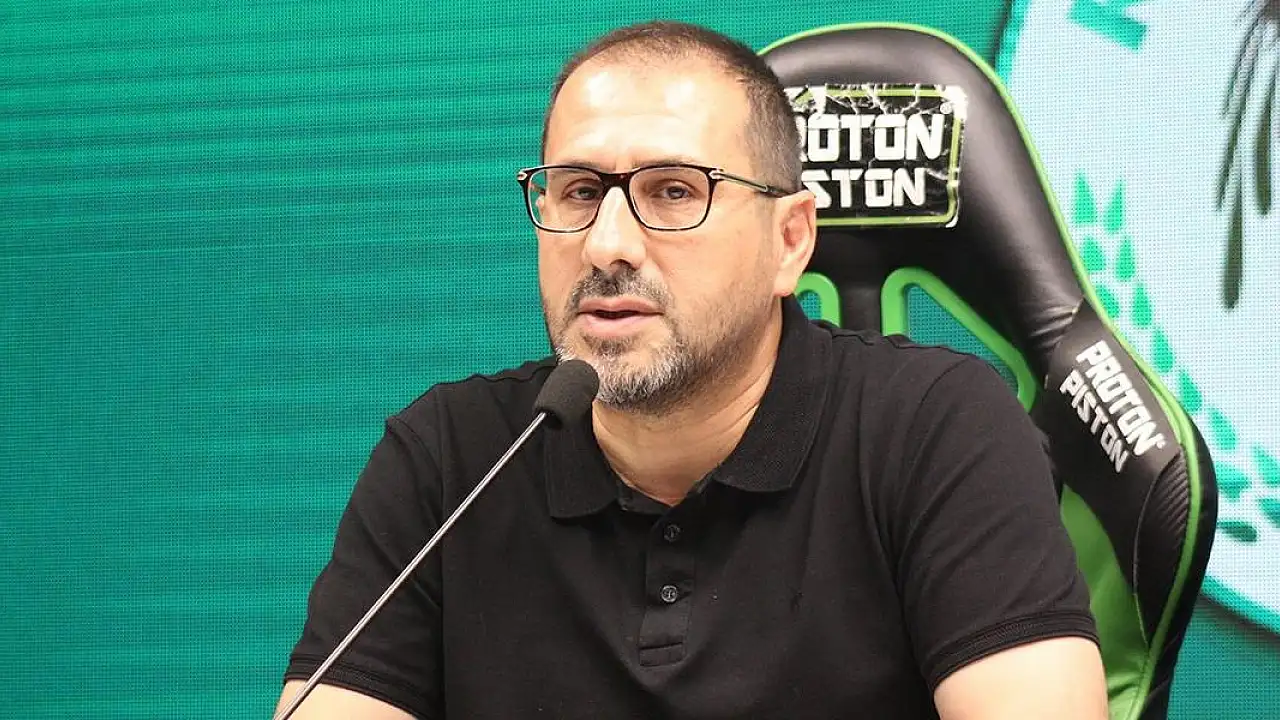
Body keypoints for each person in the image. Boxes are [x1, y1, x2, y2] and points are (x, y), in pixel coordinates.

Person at [279, 20, 1108, 719]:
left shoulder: (938, 427)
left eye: (674, 192)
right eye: (578, 193)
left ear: (790, 241)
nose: (606, 245)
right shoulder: (451, 459)